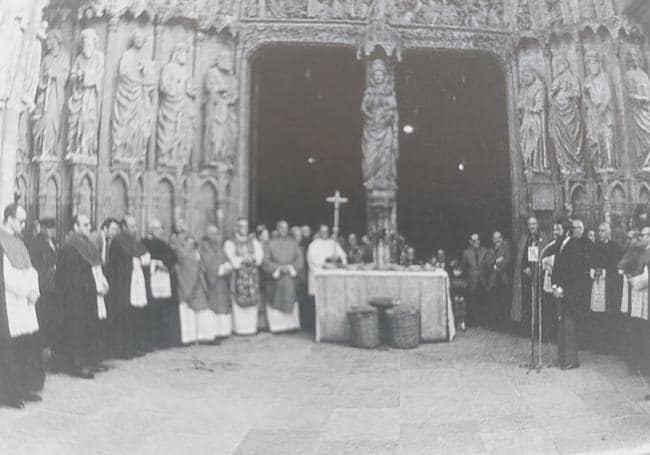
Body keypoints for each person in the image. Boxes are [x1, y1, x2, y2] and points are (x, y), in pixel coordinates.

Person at [0, 203, 44, 408]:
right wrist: (27, 292)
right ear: (9, 218)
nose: (24, 224)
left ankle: (24, 388)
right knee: (12, 349)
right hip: (10, 302)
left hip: (26, 302)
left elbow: (31, 269)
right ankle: (10, 394)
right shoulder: (1, 241)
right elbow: (6, 277)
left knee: (25, 345)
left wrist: (35, 290)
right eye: (21, 220)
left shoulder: (19, 242)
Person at [55, 214, 109, 379]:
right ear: (76, 227)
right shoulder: (70, 245)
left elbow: (94, 268)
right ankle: (77, 364)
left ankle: (89, 360)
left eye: (89, 225)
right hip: (74, 296)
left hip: (88, 293)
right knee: (76, 329)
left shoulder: (87, 244)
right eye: (85, 225)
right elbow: (68, 276)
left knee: (88, 327)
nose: (88, 228)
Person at [106, 216, 150, 359]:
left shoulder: (133, 241)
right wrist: (135, 261)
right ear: (124, 227)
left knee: (135, 315)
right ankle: (122, 350)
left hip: (135, 282)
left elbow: (143, 255)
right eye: (132, 226)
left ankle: (134, 347)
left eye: (136, 226)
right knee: (123, 318)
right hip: (123, 285)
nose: (135, 229)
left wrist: (139, 260)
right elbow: (116, 265)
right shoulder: (118, 242)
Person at [552, 219, 592, 370]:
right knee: (563, 323)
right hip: (563, 290)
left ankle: (571, 360)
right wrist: (555, 285)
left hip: (571, 292)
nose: (555, 233)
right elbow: (558, 268)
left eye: (558, 230)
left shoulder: (573, 245)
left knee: (569, 324)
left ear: (566, 231)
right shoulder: (561, 245)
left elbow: (574, 273)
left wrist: (563, 289)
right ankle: (563, 358)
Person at [142, 218, 179, 350]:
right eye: (158, 229)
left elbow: (173, 258)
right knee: (152, 310)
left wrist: (166, 265)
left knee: (163, 310)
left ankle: (163, 340)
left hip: (163, 279)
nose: (161, 231)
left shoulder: (163, 244)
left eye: (161, 228)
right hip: (151, 279)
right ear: (151, 229)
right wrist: (155, 264)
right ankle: (151, 342)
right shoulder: (143, 243)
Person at [262, 221, 304, 333]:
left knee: (290, 299)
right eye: (281, 228)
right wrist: (278, 268)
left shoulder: (294, 244)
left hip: (289, 278)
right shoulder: (270, 244)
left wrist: (290, 268)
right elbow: (265, 261)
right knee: (276, 300)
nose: (283, 230)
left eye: (285, 228)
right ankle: (277, 327)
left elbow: (299, 259)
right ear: (277, 229)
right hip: (276, 279)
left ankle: (291, 326)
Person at [588, 222, 623, 353]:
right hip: (596, 284)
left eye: (603, 231)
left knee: (609, 315)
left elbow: (618, 267)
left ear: (609, 232)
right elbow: (590, 262)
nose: (600, 233)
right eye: (599, 231)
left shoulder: (616, 247)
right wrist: (593, 270)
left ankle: (609, 345)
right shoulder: (595, 246)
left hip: (609, 285)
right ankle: (598, 344)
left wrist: (603, 272)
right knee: (596, 313)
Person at [224, 218, 263, 335]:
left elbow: (260, 257)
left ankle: (251, 328)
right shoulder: (230, 242)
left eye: (246, 226)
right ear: (236, 227)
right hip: (238, 276)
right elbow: (231, 258)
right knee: (238, 303)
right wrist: (242, 259)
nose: (244, 229)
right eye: (241, 226)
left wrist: (254, 259)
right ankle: (239, 328)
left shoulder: (254, 241)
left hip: (252, 276)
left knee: (252, 302)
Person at [197, 225, 233, 340]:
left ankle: (223, 331)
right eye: (212, 234)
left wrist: (228, 265)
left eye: (217, 233)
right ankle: (215, 332)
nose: (215, 236)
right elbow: (207, 264)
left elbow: (225, 258)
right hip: (213, 282)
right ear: (207, 235)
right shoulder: (204, 247)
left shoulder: (218, 246)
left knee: (223, 305)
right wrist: (220, 270)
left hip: (222, 282)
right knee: (214, 306)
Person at [27, 218, 58, 355]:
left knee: (52, 317)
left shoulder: (54, 242)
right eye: (48, 228)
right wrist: (47, 271)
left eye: (53, 228)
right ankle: (40, 349)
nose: (51, 231)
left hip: (53, 285)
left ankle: (50, 348)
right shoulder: (36, 243)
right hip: (43, 285)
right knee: (43, 317)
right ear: (42, 228)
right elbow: (34, 264)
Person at [513, 216, 547, 333]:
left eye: (534, 224)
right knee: (527, 301)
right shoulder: (524, 239)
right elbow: (520, 257)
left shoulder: (542, 237)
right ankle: (527, 328)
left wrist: (538, 269)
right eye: (530, 224)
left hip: (539, 275)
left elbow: (545, 255)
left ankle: (538, 328)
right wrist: (525, 268)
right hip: (526, 275)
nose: (532, 226)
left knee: (538, 301)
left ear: (537, 225)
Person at [461, 233, 492, 327]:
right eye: (474, 240)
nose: (476, 242)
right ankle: (472, 322)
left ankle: (483, 322)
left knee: (483, 301)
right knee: (471, 301)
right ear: (470, 242)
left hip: (482, 280)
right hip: (472, 281)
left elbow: (488, 266)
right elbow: (464, 268)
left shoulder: (485, 251)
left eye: (478, 240)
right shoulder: (466, 253)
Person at [490, 231, 512, 328]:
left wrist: (497, 266)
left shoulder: (506, 249)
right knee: (495, 301)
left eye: (499, 238)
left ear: (502, 238)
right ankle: (496, 324)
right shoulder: (491, 250)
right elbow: (488, 262)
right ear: (492, 240)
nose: (497, 240)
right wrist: (496, 260)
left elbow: (507, 260)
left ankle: (505, 325)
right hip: (494, 279)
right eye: (495, 238)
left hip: (503, 278)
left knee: (504, 301)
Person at [449, 260, 468, 331]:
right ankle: (456, 324)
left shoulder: (463, 280)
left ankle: (463, 323)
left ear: (461, 271)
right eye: (455, 270)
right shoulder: (452, 280)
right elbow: (451, 290)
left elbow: (465, 290)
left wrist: (463, 297)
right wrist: (454, 296)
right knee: (455, 311)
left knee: (462, 311)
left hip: (462, 298)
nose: (456, 272)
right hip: (455, 298)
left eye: (458, 270)